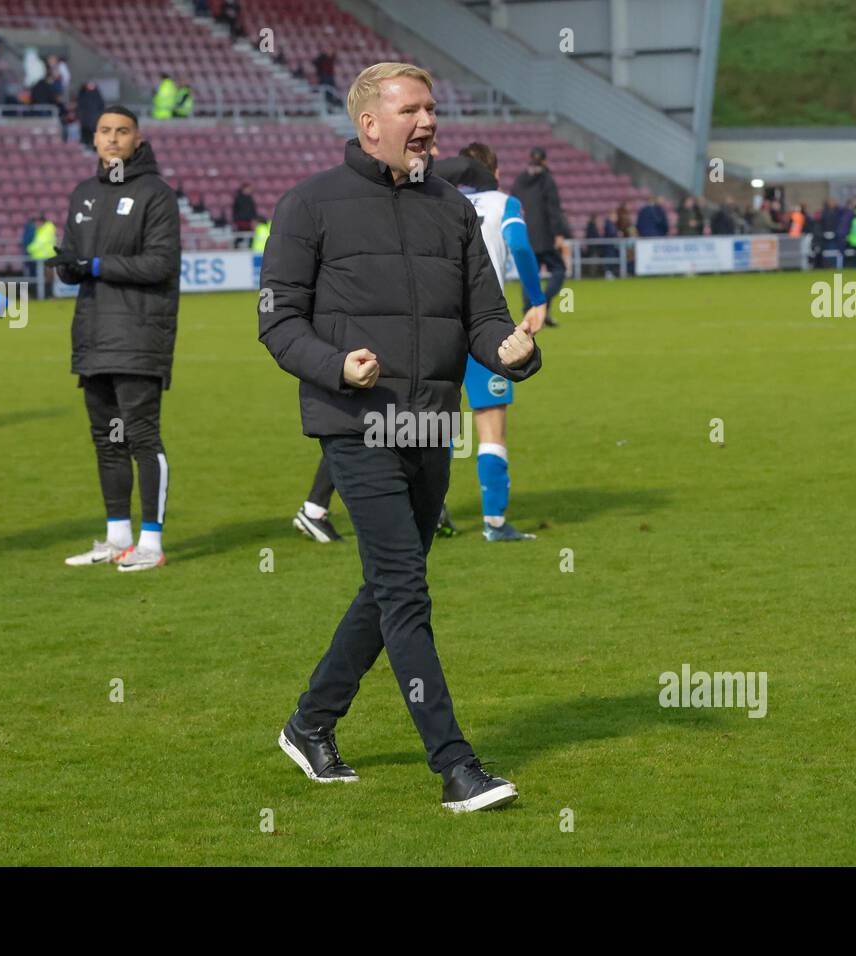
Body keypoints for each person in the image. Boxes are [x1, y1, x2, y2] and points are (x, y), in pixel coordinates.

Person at [259, 62, 541, 812]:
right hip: (356, 421)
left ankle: (309, 722)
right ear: (369, 123)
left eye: (432, 109)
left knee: (389, 584)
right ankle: (455, 767)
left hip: (431, 420)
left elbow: (484, 316)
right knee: (406, 590)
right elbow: (277, 320)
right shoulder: (308, 205)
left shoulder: (451, 208)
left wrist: (514, 349)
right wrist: (334, 366)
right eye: (410, 110)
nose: (427, 122)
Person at [50, 106, 181, 573]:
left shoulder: (156, 194)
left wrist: (98, 265)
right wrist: (69, 264)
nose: (112, 139)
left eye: (122, 131)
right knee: (107, 440)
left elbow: (160, 264)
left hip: (140, 334)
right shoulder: (83, 193)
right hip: (92, 334)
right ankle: (116, 537)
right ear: (94, 139)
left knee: (143, 438)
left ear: (138, 140)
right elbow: (75, 259)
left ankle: (152, 541)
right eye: (104, 131)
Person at [436, 141, 548, 541]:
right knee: (491, 425)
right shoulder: (504, 203)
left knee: (439, 426)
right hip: (486, 327)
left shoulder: (440, 202)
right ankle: (495, 523)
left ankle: (433, 512)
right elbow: (518, 244)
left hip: (441, 327)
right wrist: (537, 301)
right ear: (495, 172)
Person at [510, 146, 569, 327]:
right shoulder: (546, 179)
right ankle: (543, 301)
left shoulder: (520, 180)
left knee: (530, 275)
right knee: (559, 269)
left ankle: (533, 314)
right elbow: (553, 208)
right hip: (545, 237)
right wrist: (559, 233)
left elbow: (513, 206)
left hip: (525, 236)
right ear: (544, 161)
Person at [231, 182, 257, 248]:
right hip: (241, 221)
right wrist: (236, 220)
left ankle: (250, 247)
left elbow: (253, 210)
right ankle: (235, 248)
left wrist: (253, 219)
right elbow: (235, 211)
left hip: (248, 221)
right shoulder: (238, 199)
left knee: (250, 236)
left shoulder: (250, 199)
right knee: (240, 236)